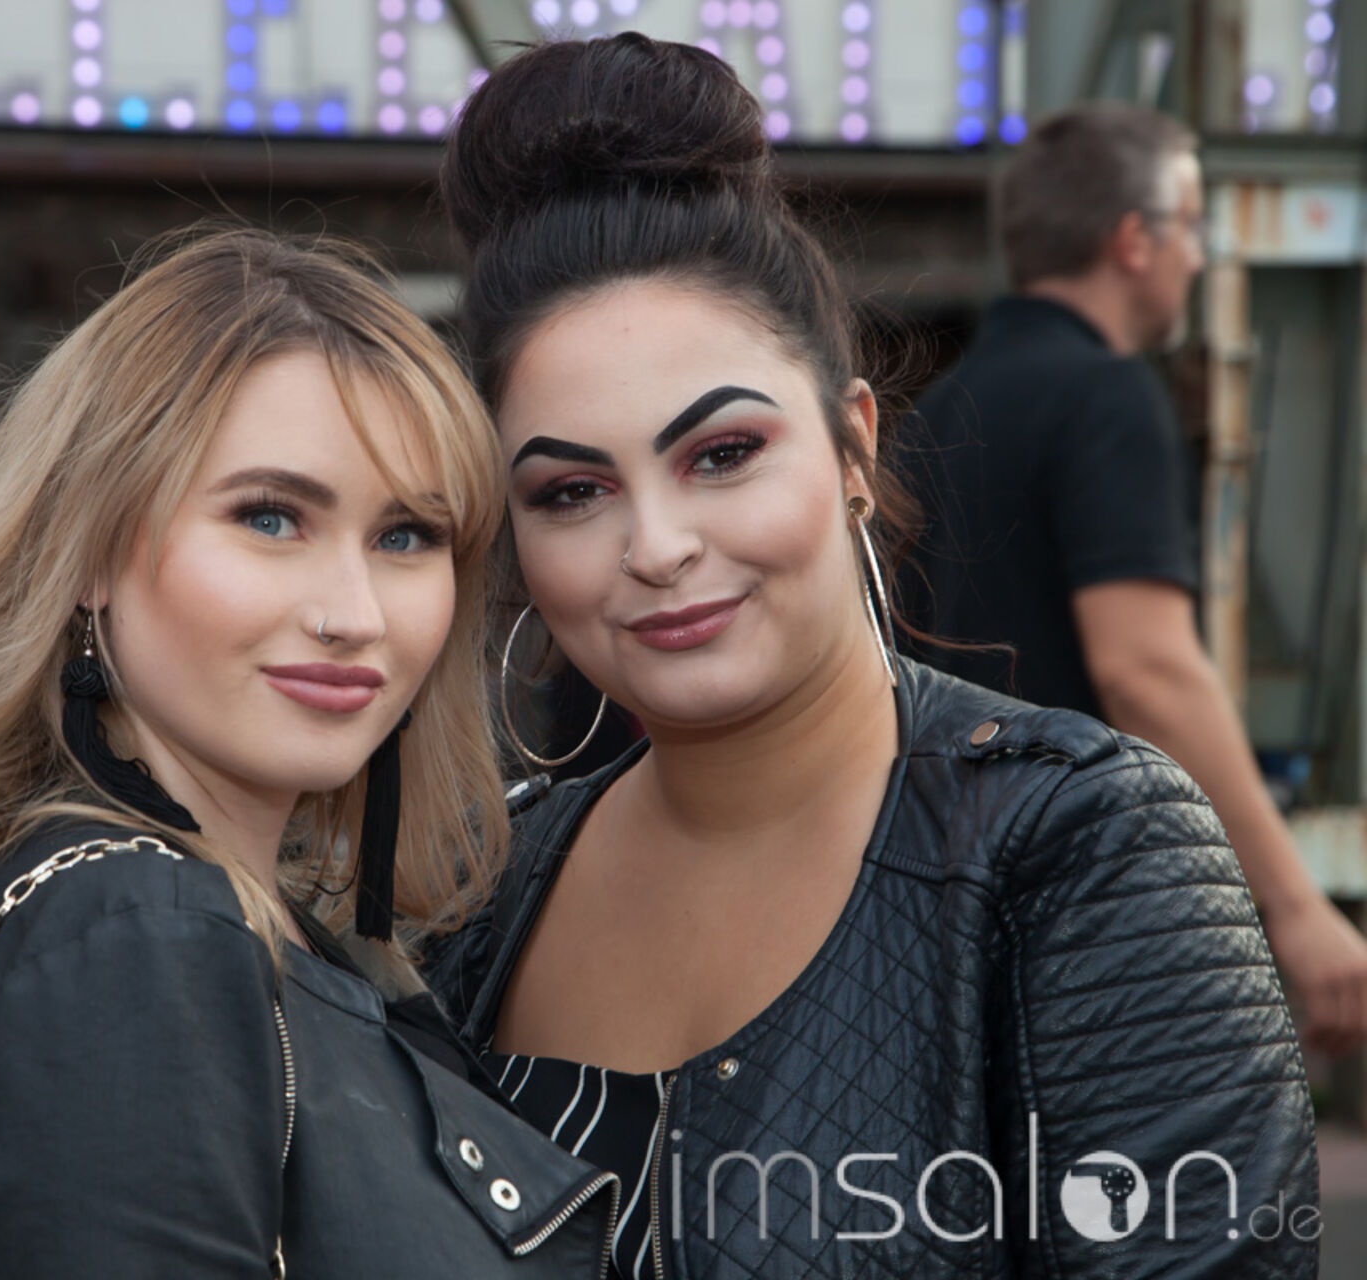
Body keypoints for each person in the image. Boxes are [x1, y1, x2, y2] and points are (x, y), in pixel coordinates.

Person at [425, 36, 1317, 1278]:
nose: (658, 546)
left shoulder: (1083, 850)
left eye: (722, 454)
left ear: (853, 447)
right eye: (572, 490)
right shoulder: (480, 900)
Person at [0, 226, 618, 1277]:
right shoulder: (142, 934)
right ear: (89, 549)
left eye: (406, 535)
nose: (355, 614)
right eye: (270, 517)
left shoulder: (216, 915)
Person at [903, 103, 1367, 1058]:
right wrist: (1294, 906)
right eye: (1191, 225)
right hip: (1082, 913)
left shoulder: (937, 413)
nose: (1198, 256)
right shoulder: (1108, 397)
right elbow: (1146, 671)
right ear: (1133, 241)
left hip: (942, 904)